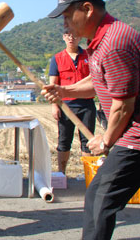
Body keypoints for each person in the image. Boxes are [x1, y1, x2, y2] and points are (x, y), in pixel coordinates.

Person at [43, 0, 140, 240]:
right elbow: (97, 83)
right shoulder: (101, 41)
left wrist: (106, 139)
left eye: (67, 16)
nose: (64, 24)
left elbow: (123, 106)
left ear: (87, 9)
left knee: (99, 196)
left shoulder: (114, 43)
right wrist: (65, 91)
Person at [48, 31, 96, 174]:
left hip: (86, 104)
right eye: (68, 35)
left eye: (74, 35)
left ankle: (89, 176)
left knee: (87, 141)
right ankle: (62, 173)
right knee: (64, 141)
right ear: (63, 37)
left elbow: (94, 80)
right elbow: (53, 84)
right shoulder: (57, 58)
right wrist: (54, 105)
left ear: (80, 37)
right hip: (66, 106)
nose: (71, 38)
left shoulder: (88, 56)